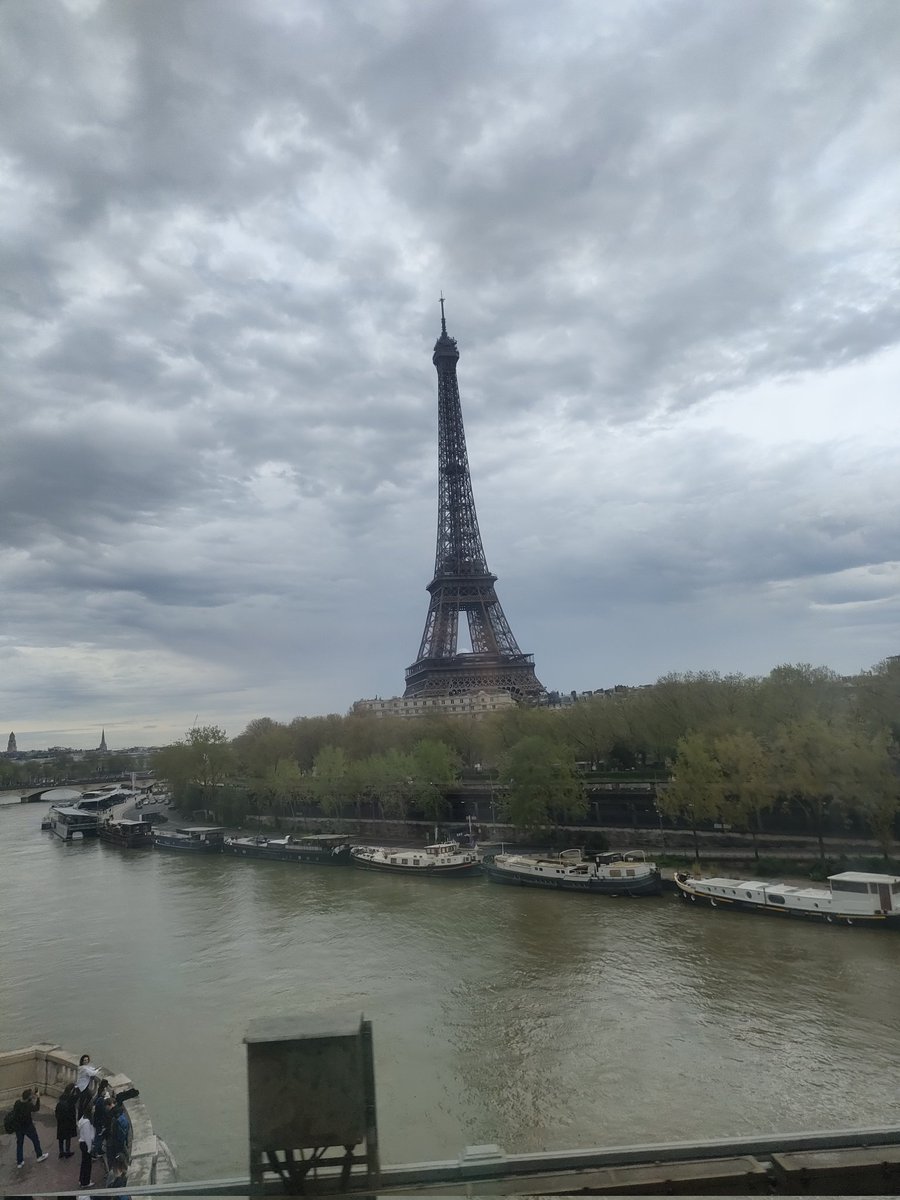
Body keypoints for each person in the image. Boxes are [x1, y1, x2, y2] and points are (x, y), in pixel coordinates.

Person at [10, 1088, 49, 1168]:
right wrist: (38, 1098)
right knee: (35, 1140)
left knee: (19, 1144)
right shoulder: (28, 1105)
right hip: (28, 1127)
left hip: (18, 1127)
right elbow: (36, 1108)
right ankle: (39, 1156)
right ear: (29, 1098)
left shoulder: (17, 1103)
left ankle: (19, 1162)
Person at [55, 1082, 78, 1158]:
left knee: (61, 1138)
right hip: (68, 1122)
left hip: (61, 1122)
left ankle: (61, 1152)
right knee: (68, 1137)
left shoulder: (61, 1100)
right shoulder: (71, 1100)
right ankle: (67, 1151)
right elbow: (78, 1096)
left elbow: (56, 1112)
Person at [106, 1099, 130, 1171]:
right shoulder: (121, 1114)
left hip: (117, 1142)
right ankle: (126, 1167)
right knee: (123, 1154)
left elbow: (113, 1132)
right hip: (122, 1140)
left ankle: (119, 1170)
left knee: (117, 1157)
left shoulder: (114, 1118)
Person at [75, 1053, 101, 1118]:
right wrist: (98, 1069)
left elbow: (90, 1068)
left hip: (83, 1086)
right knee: (82, 1102)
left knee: (89, 1097)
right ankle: (80, 1116)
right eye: (85, 1060)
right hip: (82, 1088)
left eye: (87, 1060)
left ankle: (84, 1111)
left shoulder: (83, 1067)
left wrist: (95, 1068)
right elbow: (92, 1073)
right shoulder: (84, 1069)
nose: (86, 1061)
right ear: (82, 1061)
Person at [91, 1079, 112, 1159]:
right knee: (99, 1137)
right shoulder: (101, 1101)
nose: (106, 1091)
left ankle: (98, 1150)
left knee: (98, 1136)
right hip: (100, 1122)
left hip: (97, 1121)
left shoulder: (98, 1098)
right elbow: (104, 1112)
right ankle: (95, 1152)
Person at [76, 1109, 96, 1188]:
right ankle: (85, 1182)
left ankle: (82, 1180)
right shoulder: (87, 1122)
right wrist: (89, 1148)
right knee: (87, 1165)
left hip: (83, 1143)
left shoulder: (83, 1119)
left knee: (84, 1163)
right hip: (86, 1144)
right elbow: (87, 1136)